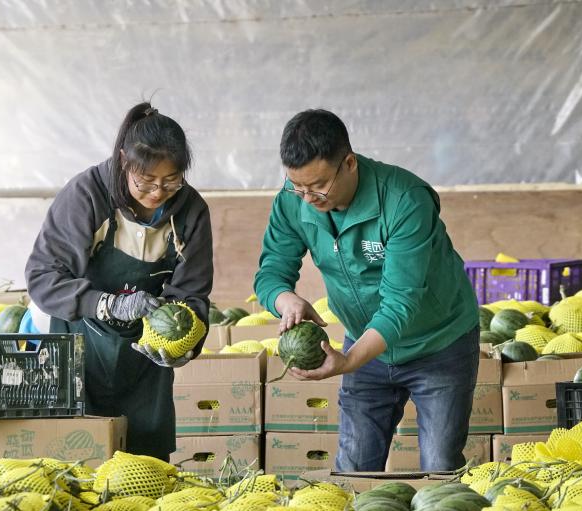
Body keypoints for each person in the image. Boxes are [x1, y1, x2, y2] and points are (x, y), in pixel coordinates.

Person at [254, 109, 479, 472]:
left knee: (440, 470)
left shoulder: (405, 200)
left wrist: (349, 361)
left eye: (319, 185)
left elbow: (400, 303)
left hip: (437, 343)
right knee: (353, 471)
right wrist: (285, 299)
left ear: (349, 162)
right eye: (298, 187)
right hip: (365, 344)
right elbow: (270, 272)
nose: (308, 198)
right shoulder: (292, 200)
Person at [25, 102, 213, 461]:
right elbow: (43, 276)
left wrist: (188, 341)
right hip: (78, 343)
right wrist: (107, 305)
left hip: (145, 355)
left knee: (145, 463)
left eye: (170, 181)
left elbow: (191, 293)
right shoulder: (87, 195)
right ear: (125, 161)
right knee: (78, 454)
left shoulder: (190, 211)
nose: (158, 192)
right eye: (146, 181)